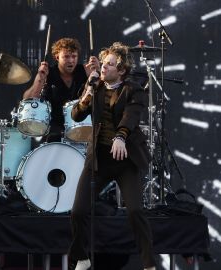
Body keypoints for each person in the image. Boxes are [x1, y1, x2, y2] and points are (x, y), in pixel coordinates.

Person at [68, 42, 156, 270]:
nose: (104, 67)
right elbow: (77, 115)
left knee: (136, 211)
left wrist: (121, 136)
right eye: (103, 63)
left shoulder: (133, 89)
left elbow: (131, 115)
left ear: (122, 70)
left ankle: (149, 265)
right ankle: (82, 257)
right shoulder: (95, 86)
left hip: (125, 159)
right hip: (99, 159)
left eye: (109, 64)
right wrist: (87, 92)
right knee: (78, 211)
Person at [23, 38, 100, 142]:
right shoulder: (47, 72)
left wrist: (98, 73)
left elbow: (103, 94)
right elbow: (28, 100)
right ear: (57, 57)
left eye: (74, 56)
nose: (71, 60)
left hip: (81, 126)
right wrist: (40, 78)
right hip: (53, 129)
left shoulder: (86, 71)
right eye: (66, 56)